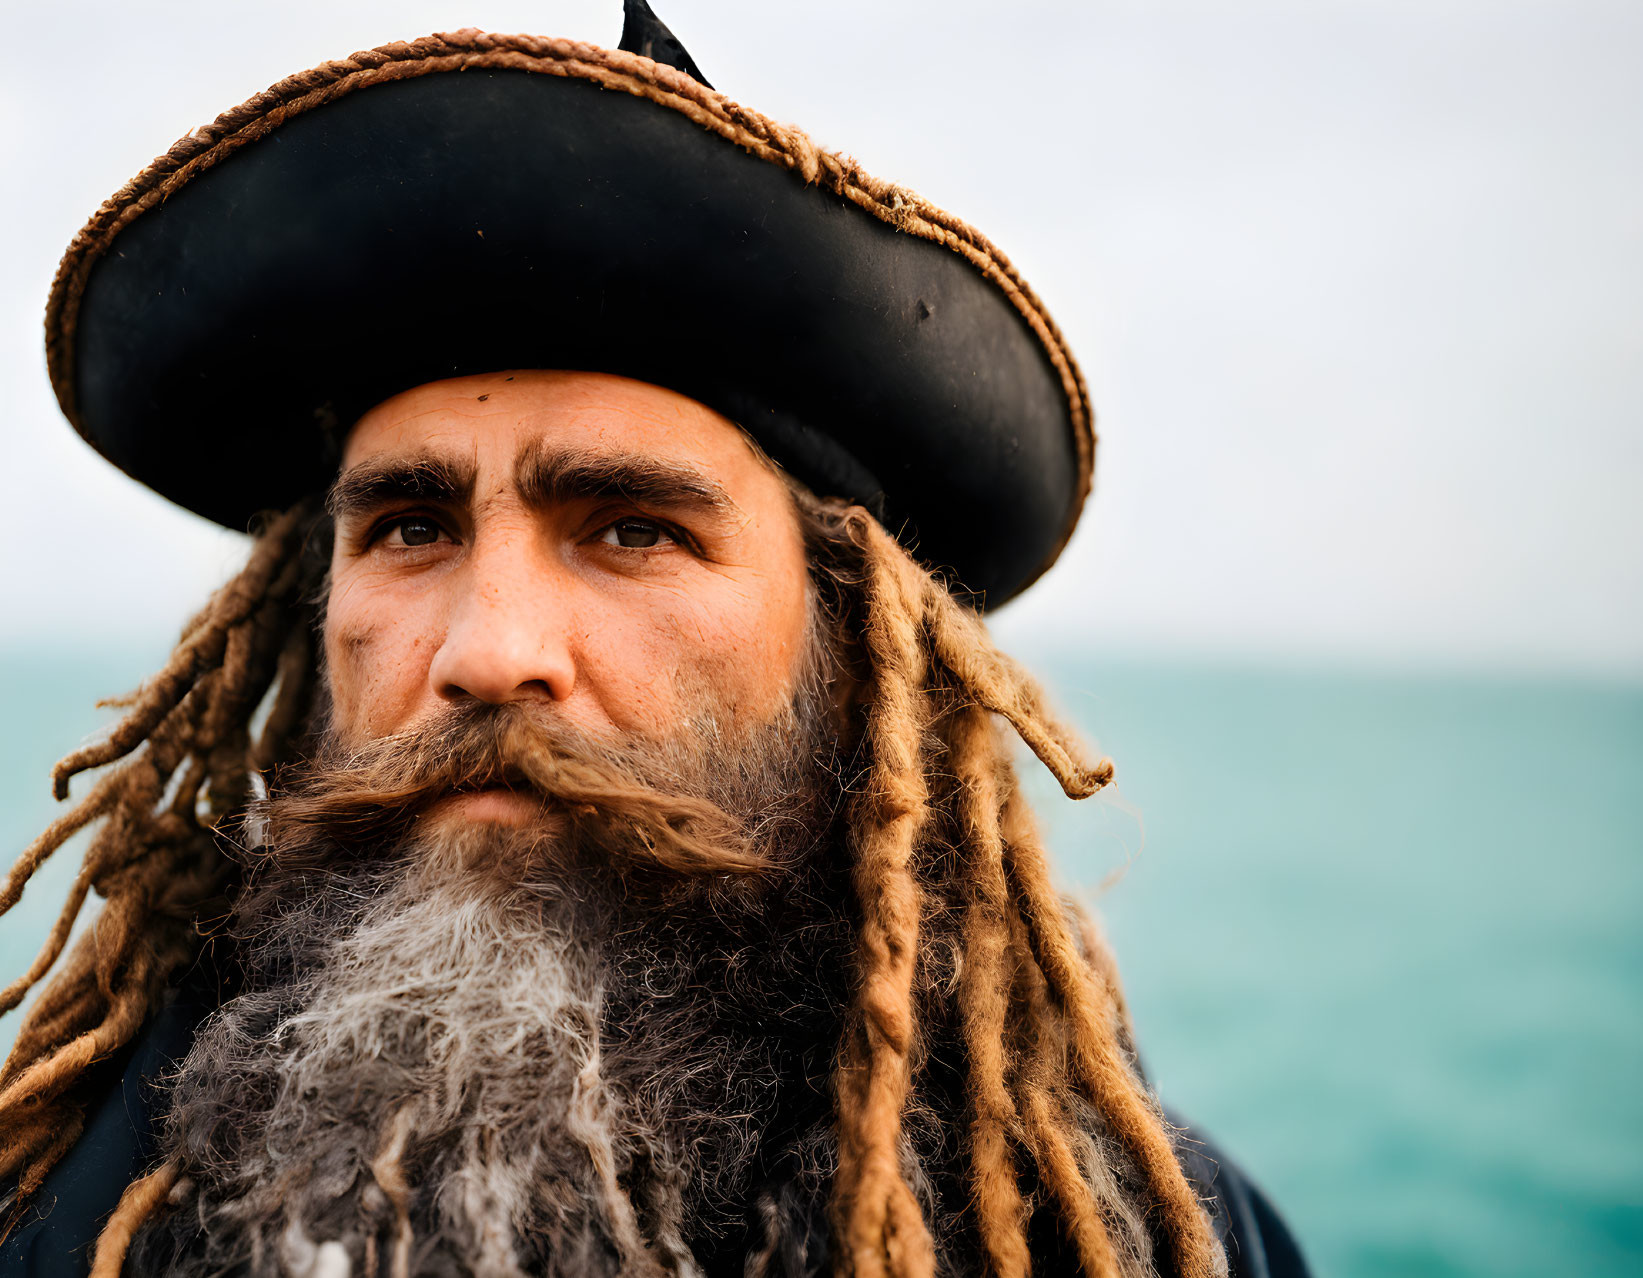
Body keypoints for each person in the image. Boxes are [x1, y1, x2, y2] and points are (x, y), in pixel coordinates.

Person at [0, 4, 1310, 1276]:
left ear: (843, 645)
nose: (489, 648)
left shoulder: (1137, 1241)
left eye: (632, 529)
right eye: (410, 528)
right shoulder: (51, 1195)